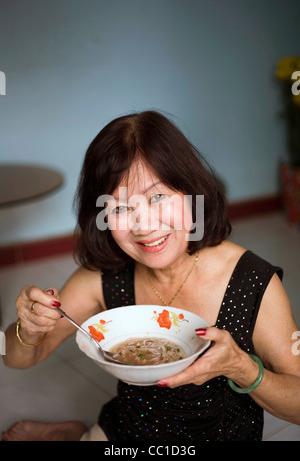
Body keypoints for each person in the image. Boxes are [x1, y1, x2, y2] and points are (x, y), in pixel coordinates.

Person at [2, 110, 300, 441]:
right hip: (125, 433)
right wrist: (26, 331)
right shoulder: (104, 276)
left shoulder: (252, 282)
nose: (144, 226)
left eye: (158, 196)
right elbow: (13, 358)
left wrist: (242, 368)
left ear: (191, 192)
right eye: (120, 208)